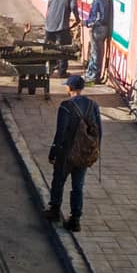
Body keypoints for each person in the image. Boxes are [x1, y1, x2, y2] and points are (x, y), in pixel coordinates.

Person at [46, 75, 102, 232]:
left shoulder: (66, 106)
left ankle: (55, 210)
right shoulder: (93, 106)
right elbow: (99, 132)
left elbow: (61, 132)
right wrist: (93, 151)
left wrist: (53, 151)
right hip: (83, 154)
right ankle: (75, 219)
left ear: (70, 88)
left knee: (59, 180)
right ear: (82, 88)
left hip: (66, 153)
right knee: (78, 186)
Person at [44, 0, 80, 76]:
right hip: (61, 28)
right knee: (64, 48)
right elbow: (73, 7)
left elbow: (49, 10)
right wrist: (77, 19)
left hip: (49, 27)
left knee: (49, 49)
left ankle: (49, 70)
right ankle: (62, 71)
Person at [82, 0, 114, 84]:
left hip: (99, 29)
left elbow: (97, 18)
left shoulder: (99, 0)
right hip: (101, 28)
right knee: (96, 53)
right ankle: (92, 74)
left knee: (95, 53)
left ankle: (93, 76)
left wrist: (86, 23)